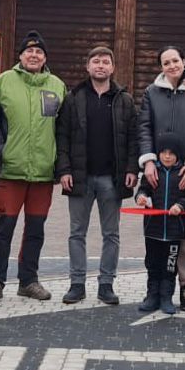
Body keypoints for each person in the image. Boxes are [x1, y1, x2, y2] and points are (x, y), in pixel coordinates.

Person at [0, 30, 67, 303]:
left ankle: (28, 281)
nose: (33, 55)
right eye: (28, 51)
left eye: (39, 52)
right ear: (20, 56)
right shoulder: (5, 81)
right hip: (12, 170)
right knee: (4, 227)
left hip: (43, 173)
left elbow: (63, 128)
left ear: (45, 57)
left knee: (35, 229)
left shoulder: (57, 85)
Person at [56, 46, 138, 305]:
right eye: (95, 61)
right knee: (76, 233)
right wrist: (64, 170)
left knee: (111, 234)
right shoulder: (73, 98)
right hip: (80, 177)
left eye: (105, 61)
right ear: (88, 67)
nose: (100, 65)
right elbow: (62, 138)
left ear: (113, 68)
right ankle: (77, 284)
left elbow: (134, 140)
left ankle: (106, 285)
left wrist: (132, 169)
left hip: (111, 179)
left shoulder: (124, 100)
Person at [137, 45, 185, 311]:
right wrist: (148, 161)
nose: (171, 66)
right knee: (156, 234)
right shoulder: (151, 92)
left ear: (183, 61)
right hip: (157, 172)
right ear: (161, 66)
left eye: (175, 60)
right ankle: (156, 289)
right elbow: (144, 126)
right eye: (166, 62)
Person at [134, 133, 185, 315]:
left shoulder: (184, 175)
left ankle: (166, 297)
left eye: (172, 153)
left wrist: (181, 205)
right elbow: (142, 190)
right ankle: (152, 296)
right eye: (163, 152)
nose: (167, 156)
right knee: (152, 264)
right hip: (152, 230)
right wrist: (140, 197)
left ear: (178, 155)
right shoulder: (151, 174)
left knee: (170, 266)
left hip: (174, 232)